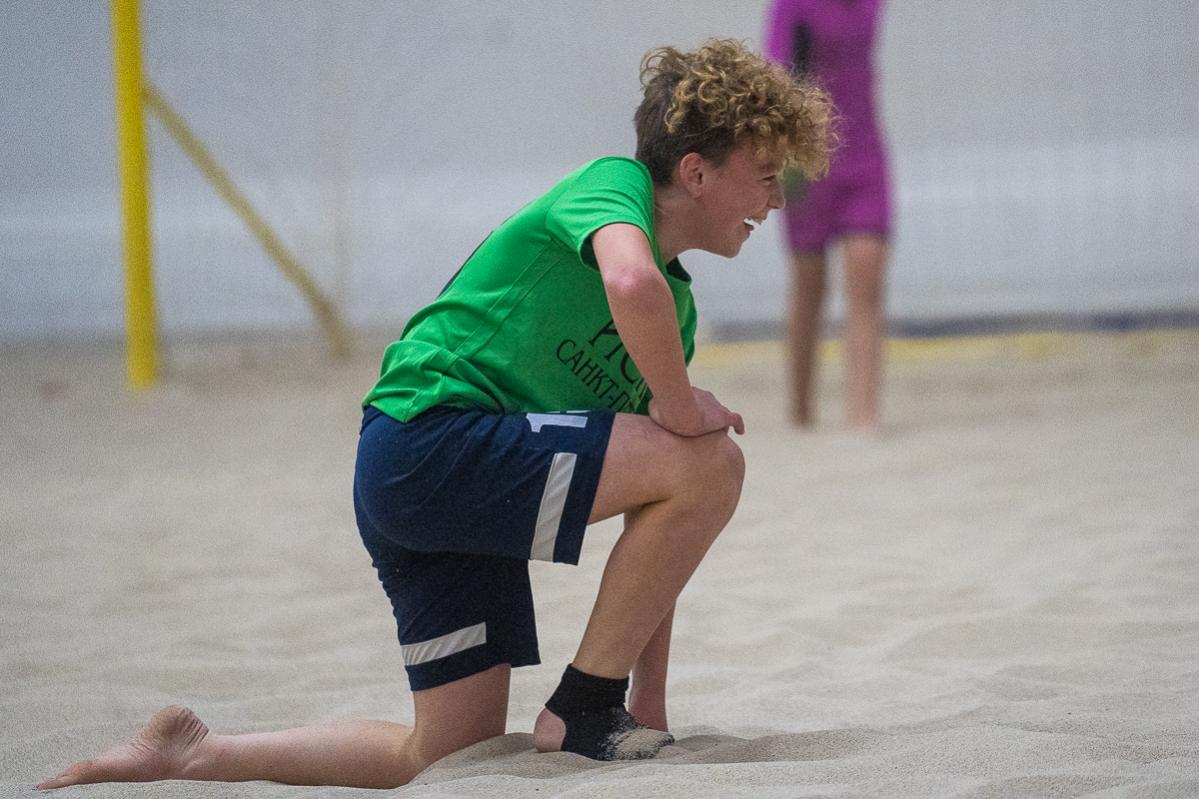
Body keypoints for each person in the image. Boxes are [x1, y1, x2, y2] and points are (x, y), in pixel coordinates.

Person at [38, 39, 833, 791]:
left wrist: (647, 701)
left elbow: (661, 519)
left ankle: (195, 751)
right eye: (765, 174)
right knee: (711, 458)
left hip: (430, 490)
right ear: (693, 171)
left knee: (447, 750)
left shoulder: (673, 313)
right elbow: (631, 288)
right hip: (429, 440)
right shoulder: (611, 186)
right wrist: (679, 403)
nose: (776, 196)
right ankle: (581, 705)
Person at [765, 0, 891, 430]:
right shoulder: (792, 5)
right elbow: (777, 78)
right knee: (810, 285)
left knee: (867, 277)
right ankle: (800, 412)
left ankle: (863, 413)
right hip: (808, 161)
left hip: (865, 154)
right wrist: (783, 161)